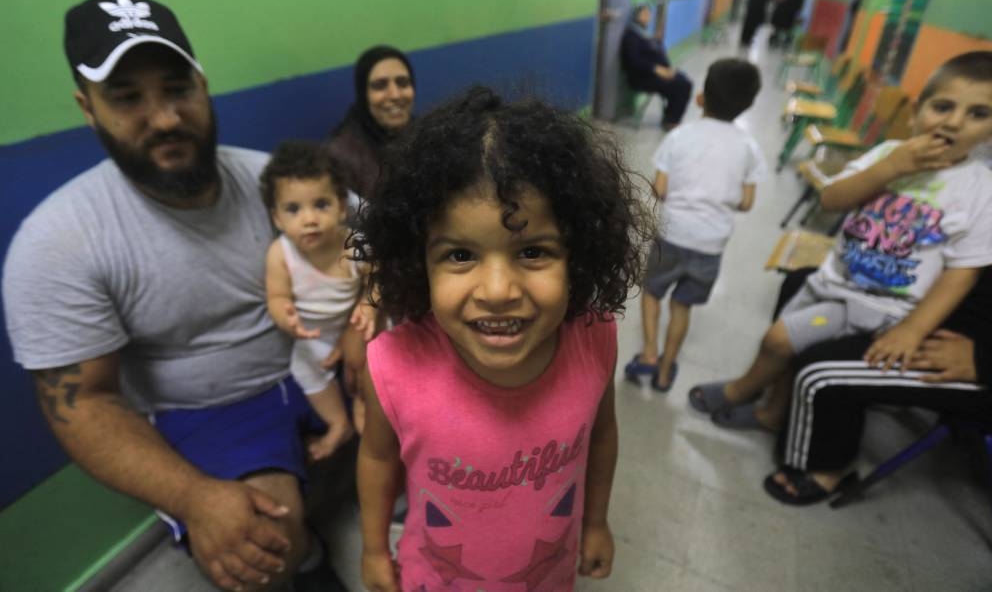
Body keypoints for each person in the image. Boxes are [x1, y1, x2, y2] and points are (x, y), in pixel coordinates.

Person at [2, 0, 346, 591]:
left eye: (177, 89)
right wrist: (196, 497)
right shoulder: (59, 241)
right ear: (88, 108)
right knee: (263, 550)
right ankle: (308, 552)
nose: (164, 118)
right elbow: (82, 402)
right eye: (128, 98)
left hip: (321, 361)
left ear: (203, 85)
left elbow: (373, 238)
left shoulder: (274, 182)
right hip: (215, 411)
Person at [353, 87, 650, 591]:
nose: (497, 291)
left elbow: (601, 435)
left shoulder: (594, 338)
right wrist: (374, 547)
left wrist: (595, 522)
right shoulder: (393, 367)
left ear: (577, 254)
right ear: (416, 261)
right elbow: (378, 458)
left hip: (549, 575)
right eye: (460, 255)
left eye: (533, 252)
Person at [690, 51, 992, 432]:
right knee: (792, 350)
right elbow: (832, 199)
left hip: (874, 305)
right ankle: (773, 412)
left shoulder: (985, 191)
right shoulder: (889, 154)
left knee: (778, 341)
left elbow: (963, 273)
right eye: (943, 107)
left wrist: (913, 330)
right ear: (916, 110)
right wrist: (892, 168)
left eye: (978, 114)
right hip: (831, 280)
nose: (953, 122)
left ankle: (741, 391)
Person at [763, 257, 992, 504]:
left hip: (980, 359)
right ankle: (781, 408)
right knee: (802, 283)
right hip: (944, 306)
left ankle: (827, 468)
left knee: (823, 373)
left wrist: (986, 362)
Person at [624, 58, 766, 392]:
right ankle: (666, 370)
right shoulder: (749, 147)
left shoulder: (680, 137)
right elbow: (746, 203)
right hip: (710, 244)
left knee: (653, 293)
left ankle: (648, 355)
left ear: (700, 98)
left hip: (673, 234)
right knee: (681, 305)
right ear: (747, 105)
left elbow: (660, 189)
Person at [260, 140, 377, 459]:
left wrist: (368, 304)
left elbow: (377, 279)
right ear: (277, 218)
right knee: (304, 366)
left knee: (377, 353)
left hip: (355, 319)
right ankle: (338, 422)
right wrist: (285, 316)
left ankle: (366, 401)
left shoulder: (354, 244)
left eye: (321, 205)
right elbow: (277, 296)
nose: (309, 219)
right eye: (294, 209)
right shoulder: (280, 254)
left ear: (342, 206)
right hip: (316, 331)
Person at [325, 45, 415, 200]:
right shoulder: (340, 158)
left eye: (403, 82)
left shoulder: (425, 135)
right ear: (363, 94)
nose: (395, 94)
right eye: (380, 85)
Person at [620, 1, 693, 131]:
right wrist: (656, 69)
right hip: (642, 77)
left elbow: (659, 54)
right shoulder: (631, 35)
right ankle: (672, 120)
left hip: (657, 73)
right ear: (636, 15)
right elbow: (633, 61)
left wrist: (668, 69)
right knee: (680, 84)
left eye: (649, 13)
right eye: (644, 13)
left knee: (683, 80)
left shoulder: (647, 34)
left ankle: (671, 116)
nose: (647, 16)